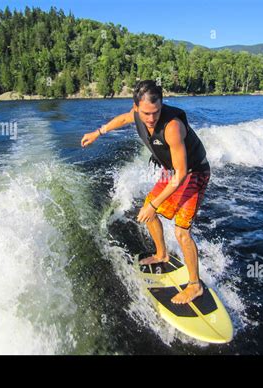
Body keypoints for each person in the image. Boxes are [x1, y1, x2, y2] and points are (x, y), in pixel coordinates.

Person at [81, 80, 210, 304]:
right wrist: (98, 132)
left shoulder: (172, 127)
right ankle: (161, 254)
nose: (151, 119)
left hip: (193, 172)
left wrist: (154, 204)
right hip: (173, 172)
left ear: (161, 105)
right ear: (136, 107)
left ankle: (194, 285)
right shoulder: (136, 114)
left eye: (156, 112)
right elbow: (122, 119)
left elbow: (181, 174)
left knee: (181, 231)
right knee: (149, 213)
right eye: (146, 113)